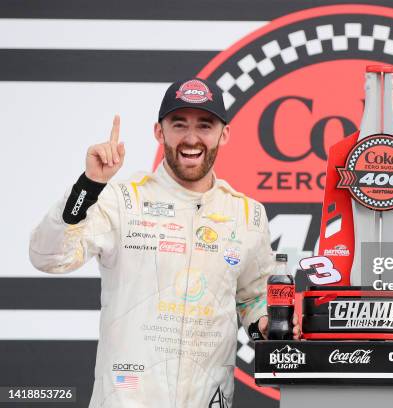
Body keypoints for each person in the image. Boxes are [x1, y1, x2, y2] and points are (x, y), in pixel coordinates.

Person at [29, 78, 299, 407]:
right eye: (179, 124)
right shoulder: (122, 198)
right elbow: (49, 257)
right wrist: (89, 185)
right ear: (160, 132)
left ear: (223, 134)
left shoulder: (247, 214)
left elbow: (253, 299)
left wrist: (266, 324)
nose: (191, 137)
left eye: (205, 125)